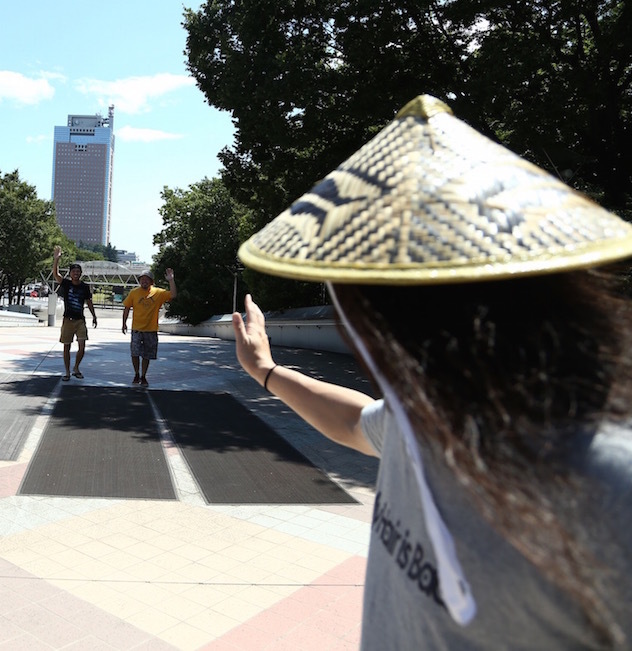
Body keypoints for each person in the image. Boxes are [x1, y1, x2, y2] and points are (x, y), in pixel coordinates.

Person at [233, 95, 632, 649]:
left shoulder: (612, 485)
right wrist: (267, 371)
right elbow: (355, 423)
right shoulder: (431, 413)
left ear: (382, 317)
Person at [121, 268, 176, 387]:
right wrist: (124, 323)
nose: (144, 281)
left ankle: (143, 375)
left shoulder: (158, 293)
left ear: (152, 282)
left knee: (147, 355)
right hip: (136, 329)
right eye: (142, 279)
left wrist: (171, 280)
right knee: (134, 353)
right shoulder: (134, 293)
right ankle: (136, 373)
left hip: (151, 330)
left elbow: (173, 295)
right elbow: (127, 308)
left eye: (147, 279)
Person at [52, 245, 98, 380]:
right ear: (70, 273)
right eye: (73, 271)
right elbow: (56, 274)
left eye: (78, 271)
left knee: (82, 346)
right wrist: (56, 260)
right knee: (66, 347)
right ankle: (67, 372)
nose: (76, 273)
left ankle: (76, 367)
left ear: (80, 273)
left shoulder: (84, 287)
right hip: (68, 320)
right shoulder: (66, 284)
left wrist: (94, 316)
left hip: (80, 320)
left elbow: (89, 302)